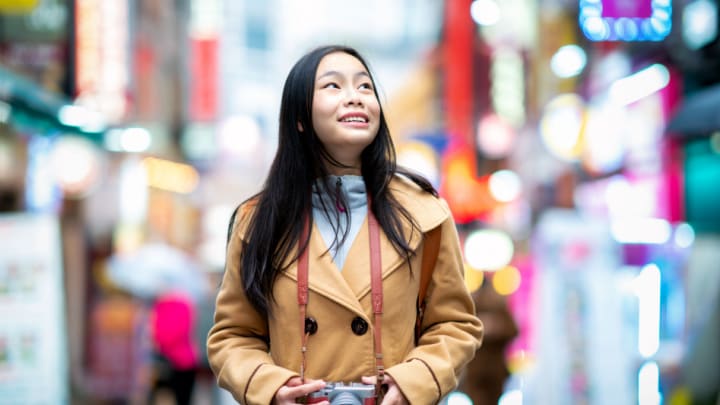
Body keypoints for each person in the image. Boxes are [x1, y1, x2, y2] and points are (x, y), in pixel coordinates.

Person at [207, 44, 483, 405]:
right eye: (333, 86)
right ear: (300, 118)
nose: (355, 97)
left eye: (365, 87)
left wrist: (412, 383)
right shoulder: (259, 222)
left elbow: (455, 324)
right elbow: (232, 336)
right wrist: (271, 388)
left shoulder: (425, 213)